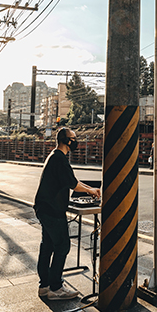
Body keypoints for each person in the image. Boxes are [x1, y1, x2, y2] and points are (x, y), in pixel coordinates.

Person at [34, 127, 100, 300]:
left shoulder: (56, 156)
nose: (75, 140)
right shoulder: (59, 159)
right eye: (73, 138)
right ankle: (56, 288)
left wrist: (90, 190)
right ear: (66, 140)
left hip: (45, 208)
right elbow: (73, 184)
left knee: (47, 246)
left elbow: (74, 181)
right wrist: (90, 192)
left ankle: (44, 286)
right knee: (62, 246)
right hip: (52, 210)